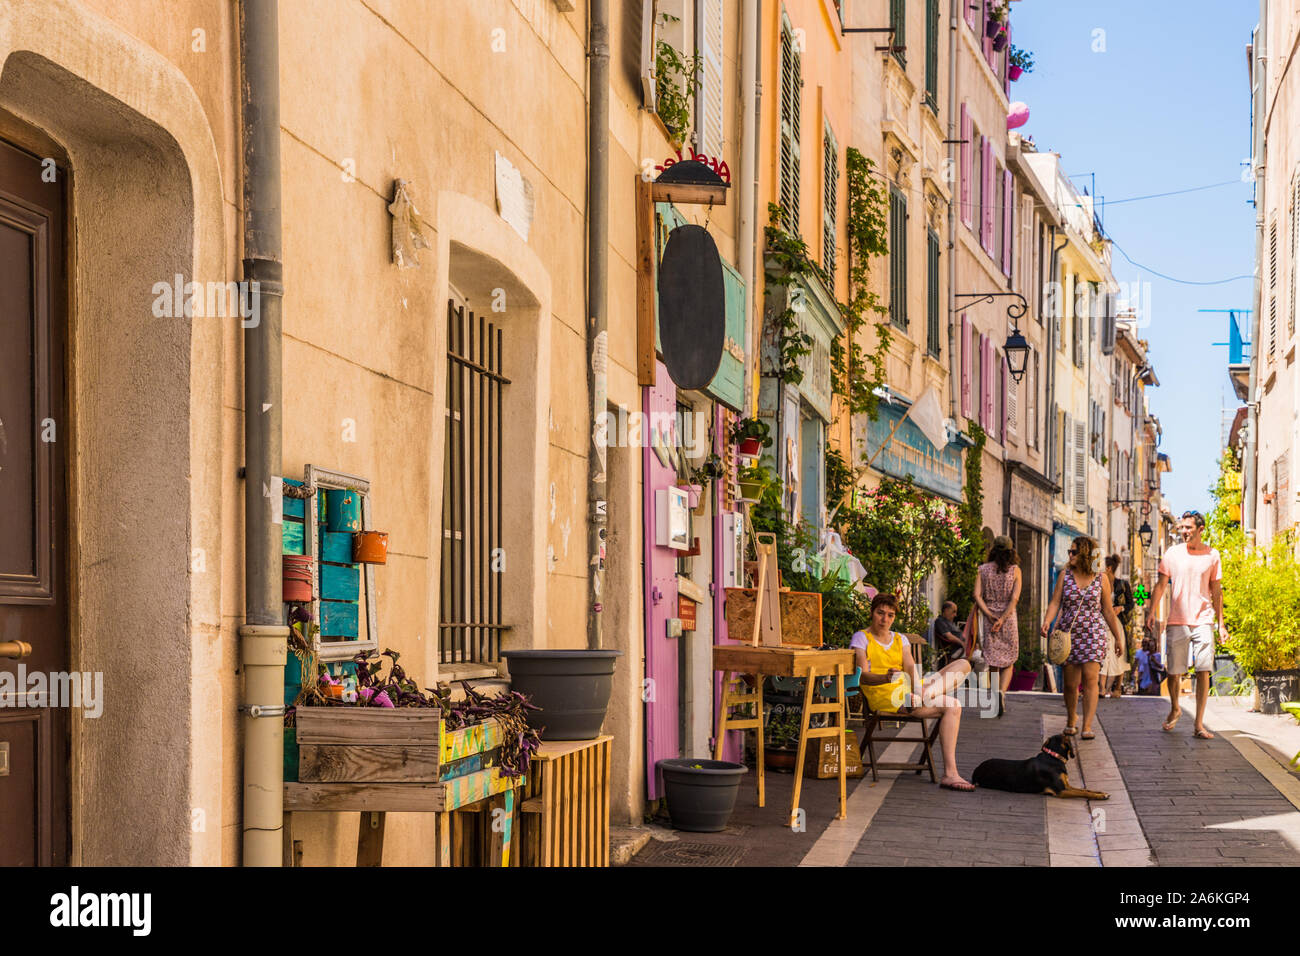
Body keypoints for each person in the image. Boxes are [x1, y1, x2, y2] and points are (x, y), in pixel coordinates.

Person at [851, 593, 975, 791]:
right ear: (872, 613)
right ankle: (951, 773)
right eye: (880, 613)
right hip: (884, 694)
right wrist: (885, 677)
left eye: (890, 615)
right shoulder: (861, 638)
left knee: (963, 664)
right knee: (954, 705)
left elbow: (910, 667)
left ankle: (923, 695)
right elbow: (862, 676)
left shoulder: (900, 639)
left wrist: (918, 687)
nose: (885, 619)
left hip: (913, 691)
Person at [1148, 510, 1226, 739]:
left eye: (1188, 528)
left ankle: (1199, 724)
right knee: (1174, 672)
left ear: (1200, 530)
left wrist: (1221, 624)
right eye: (1182, 528)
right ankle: (1175, 707)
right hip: (1177, 619)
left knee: (1203, 670)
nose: (1183, 532)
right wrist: (1151, 611)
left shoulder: (1213, 555)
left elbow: (1217, 592)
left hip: (1203, 619)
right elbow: (1161, 585)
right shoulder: (1172, 553)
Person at [1039, 536, 1126, 740]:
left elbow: (1107, 610)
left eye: (1074, 552)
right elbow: (1055, 602)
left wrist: (1118, 638)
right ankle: (1071, 719)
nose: (1070, 555)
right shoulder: (1064, 575)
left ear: (1085, 554)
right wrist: (1047, 621)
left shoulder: (1101, 578)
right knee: (1070, 684)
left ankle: (1087, 725)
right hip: (1069, 633)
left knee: (1091, 679)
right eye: (1069, 551)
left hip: (1094, 633)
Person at [973, 536, 1023, 717]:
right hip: (1008, 619)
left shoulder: (982, 570)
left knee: (993, 661)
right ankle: (1002, 692)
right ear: (1011, 550)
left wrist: (989, 614)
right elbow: (1015, 598)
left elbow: (977, 595)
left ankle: (995, 695)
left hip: (989, 618)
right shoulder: (1015, 570)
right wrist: (1003, 618)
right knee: (1009, 660)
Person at [1099, 555, 1134, 698]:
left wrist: (1121, 608)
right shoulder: (1099, 583)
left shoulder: (1123, 585)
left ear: (1108, 568)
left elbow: (1131, 604)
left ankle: (1117, 687)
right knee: (1103, 652)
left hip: (1118, 623)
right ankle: (1101, 688)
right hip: (1103, 621)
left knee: (1119, 654)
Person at [932, 600, 966, 669]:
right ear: (946, 610)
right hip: (956, 650)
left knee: (982, 656)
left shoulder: (950, 622)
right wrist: (962, 643)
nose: (955, 615)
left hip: (963, 648)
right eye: (954, 612)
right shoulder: (940, 621)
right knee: (981, 660)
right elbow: (949, 636)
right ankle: (978, 679)